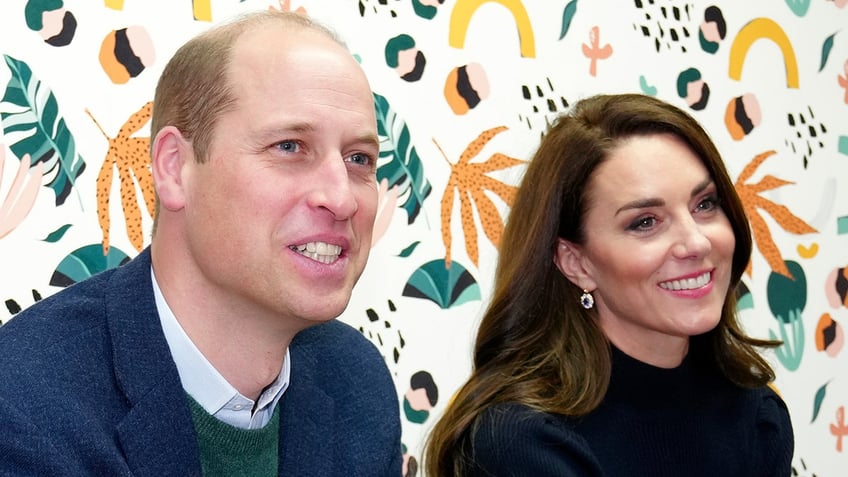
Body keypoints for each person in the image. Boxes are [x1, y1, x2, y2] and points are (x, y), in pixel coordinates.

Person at [0, 10, 402, 476]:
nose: (341, 198)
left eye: (359, 158)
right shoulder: (25, 404)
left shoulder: (358, 383)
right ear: (175, 168)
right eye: (290, 146)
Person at [424, 93, 794, 477]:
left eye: (705, 204)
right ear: (576, 263)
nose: (697, 243)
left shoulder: (756, 417)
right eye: (646, 222)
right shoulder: (521, 442)